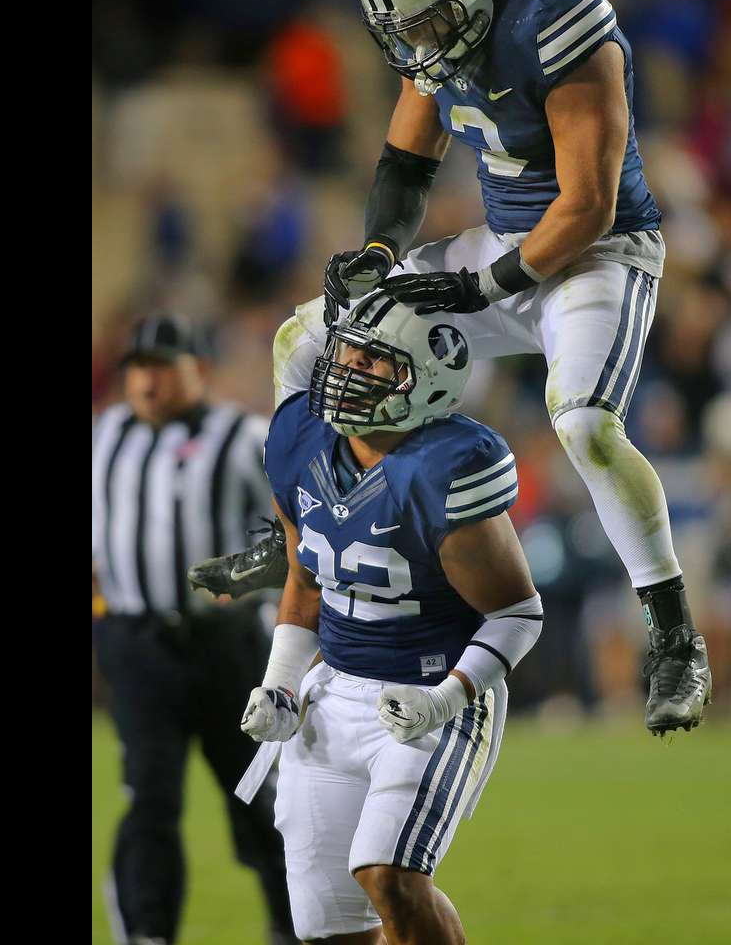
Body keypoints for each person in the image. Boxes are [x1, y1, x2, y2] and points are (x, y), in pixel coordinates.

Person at [243, 0, 710, 735]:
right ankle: (301, 525)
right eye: (407, 30)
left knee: (585, 424)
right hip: (503, 243)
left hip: (598, 254)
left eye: (429, 23)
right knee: (308, 339)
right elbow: (404, 163)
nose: (421, 45)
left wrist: (477, 287)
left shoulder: (552, 10)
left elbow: (589, 203)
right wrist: (379, 256)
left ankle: (672, 632)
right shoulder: (440, 26)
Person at [217, 293, 543, 945]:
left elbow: (516, 613)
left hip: (431, 692)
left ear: (426, 381)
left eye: (375, 361)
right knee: (328, 928)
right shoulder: (299, 440)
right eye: (349, 352)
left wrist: (446, 699)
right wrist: (281, 684)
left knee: (390, 876)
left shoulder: (444, 467)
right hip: (333, 693)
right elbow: (304, 582)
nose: (348, 368)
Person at [92, 313, 299, 945]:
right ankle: (148, 934)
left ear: (199, 371)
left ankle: (297, 929)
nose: (147, 384)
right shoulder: (104, 436)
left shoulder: (243, 437)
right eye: (138, 370)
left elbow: (299, 533)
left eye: (162, 369)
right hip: (137, 645)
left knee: (262, 804)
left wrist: (245, 575)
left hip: (228, 648)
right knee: (149, 802)